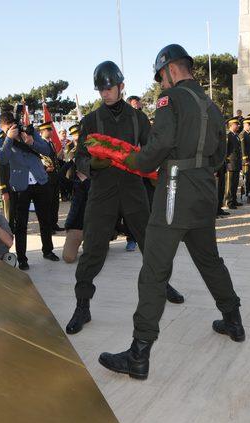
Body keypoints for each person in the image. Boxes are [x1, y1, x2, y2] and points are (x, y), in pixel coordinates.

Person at [98, 44, 244, 381]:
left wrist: (132, 161)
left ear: (172, 70)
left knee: (153, 272)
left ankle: (138, 354)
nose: (161, 84)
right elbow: (221, 154)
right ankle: (233, 319)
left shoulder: (170, 101)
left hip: (175, 193)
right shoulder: (213, 106)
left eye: (161, 77)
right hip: (205, 192)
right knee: (209, 260)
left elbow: (159, 145)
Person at [66, 60, 185, 335]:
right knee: (94, 248)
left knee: (150, 241)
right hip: (103, 192)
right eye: (101, 90)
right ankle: (82, 305)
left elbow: (153, 146)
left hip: (133, 189)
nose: (105, 93)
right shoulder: (91, 120)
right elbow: (80, 157)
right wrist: (90, 166)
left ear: (121, 86)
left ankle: (162, 284)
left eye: (110, 88)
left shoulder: (137, 118)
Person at [0, 111, 60, 270]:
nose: (13, 129)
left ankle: (48, 250)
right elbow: (3, 159)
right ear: (3, 127)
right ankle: (23, 258)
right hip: (20, 186)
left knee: (45, 219)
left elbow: (47, 150)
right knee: (21, 224)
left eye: (13, 126)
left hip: (40, 180)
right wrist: (9, 138)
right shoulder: (2, 141)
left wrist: (32, 142)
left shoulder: (29, 132)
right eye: (8, 128)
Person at [62, 123, 89, 263]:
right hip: (77, 226)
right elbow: (62, 177)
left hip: (93, 226)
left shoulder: (93, 148)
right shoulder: (69, 149)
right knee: (68, 258)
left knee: (94, 254)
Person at [38, 121, 65, 233]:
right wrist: (44, 169)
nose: (51, 131)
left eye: (51, 130)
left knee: (55, 202)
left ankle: (54, 223)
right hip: (46, 177)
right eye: (48, 130)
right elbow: (38, 160)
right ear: (42, 132)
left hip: (54, 176)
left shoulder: (51, 143)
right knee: (47, 203)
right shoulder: (39, 144)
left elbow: (54, 159)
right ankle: (48, 226)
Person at [225, 116, 243, 210]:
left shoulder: (236, 136)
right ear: (231, 125)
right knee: (230, 184)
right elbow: (226, 151)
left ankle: (234, 199)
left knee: (235, 183)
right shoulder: (229, 136)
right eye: (236, 124)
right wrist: (226, 162)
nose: (238, 126)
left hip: (236, 163)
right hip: (230, 164)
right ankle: (229, 201)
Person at [239, 117, 250, 196]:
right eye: (249, 124)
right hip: (246, 160)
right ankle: (246, 192)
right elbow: (242, 148)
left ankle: (249, 190)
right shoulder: (242, 134)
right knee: (246, 176)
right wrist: (245, 159)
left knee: (249, 176)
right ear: (245, 125)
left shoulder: (249, 134)